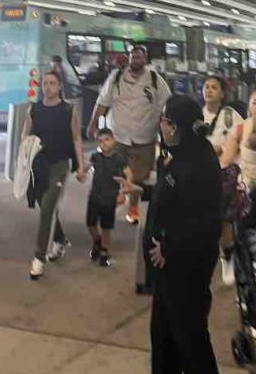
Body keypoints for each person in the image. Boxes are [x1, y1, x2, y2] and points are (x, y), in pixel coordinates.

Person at [136, 95, 238, 374]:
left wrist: (170, 247)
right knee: (162, 341)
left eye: (164, 121)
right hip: (167, 269)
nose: (161, 126)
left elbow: (204, 223)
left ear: (176, 126)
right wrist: (140, 192)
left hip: (187, 269)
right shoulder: (177, 158)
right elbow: (169, 201)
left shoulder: (201, 164)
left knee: (193, 348)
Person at [88, 44, 170, 224]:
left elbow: (167, 106)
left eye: (139, 57)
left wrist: (167, 132)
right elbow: (102, 102)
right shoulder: (116, 77)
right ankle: (115, 199)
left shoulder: (155, 80)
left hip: (145, 139)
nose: (136, 60)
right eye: (133, 57)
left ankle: (133, 204)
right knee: (112, 171)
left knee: (139, 177)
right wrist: (93, 125)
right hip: (118, 136)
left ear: (145, 60)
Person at [23, 69, 86, 280]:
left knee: (48, 207)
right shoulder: (33, 109)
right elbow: (25, 136)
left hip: (59, 165)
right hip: (38, 165)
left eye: (52, 83)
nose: (47, 86)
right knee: (46, 208)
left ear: (60, 86)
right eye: (44, 83)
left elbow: (77, 138)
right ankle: (59, 240)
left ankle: (39, 258)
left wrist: (81, 166)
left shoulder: (69, 110)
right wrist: (22, 162)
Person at [202, 75, 243, 286]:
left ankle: (228, 258)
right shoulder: (196, 116)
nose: (209, 90)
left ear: (222, 93)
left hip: (223, 175)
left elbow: (242, 139)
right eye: (206, 87)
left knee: (224, 219)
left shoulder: (231, 116)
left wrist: (224, 149)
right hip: (200, 175)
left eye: (214, 87)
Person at [85, 128, 132, 268]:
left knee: (106, 227)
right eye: (100, 141)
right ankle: (97, 241)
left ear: (114, 140)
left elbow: (129, 175)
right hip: (94, 196)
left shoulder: (119, 159)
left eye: (107, 139)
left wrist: (123, 191)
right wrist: (81, 172)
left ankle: (104, 251)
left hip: (110, 197)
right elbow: (86, 167)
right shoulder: (95, 157)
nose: (103, 143)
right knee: (90, 224)